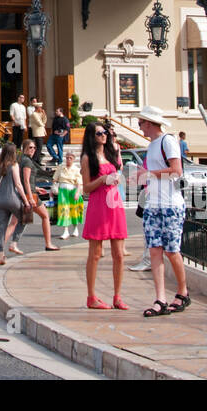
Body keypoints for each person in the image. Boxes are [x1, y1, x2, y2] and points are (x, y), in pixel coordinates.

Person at [136, 106, 190, 317]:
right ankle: (160, 299)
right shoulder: (152, 145)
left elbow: (176, 171)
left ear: (149, 123)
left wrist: (148, 174)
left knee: (171, 250)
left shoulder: (167, 141)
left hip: (170, 204)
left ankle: (182, 291)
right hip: (154, 204)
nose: (140, 128)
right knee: (155, 250)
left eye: (141, 124)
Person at [81, 123, 128, 309]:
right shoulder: (87, 158)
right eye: (99, 133)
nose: (104, 135)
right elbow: (86, 188)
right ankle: (91, 296)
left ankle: (117, 296)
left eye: (105, 132)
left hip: (114, 203)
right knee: (95, 253)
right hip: (99, 204)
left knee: (119, 254)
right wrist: (101, 180)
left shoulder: (110, 154)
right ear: (92, 137)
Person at [11, 139, 60, 252]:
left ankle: (9, 245)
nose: (33, 150)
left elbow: (23, 181)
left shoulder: (21, 160)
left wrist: (37, 188)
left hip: (26, 193)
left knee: (20, 221)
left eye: (34, 148)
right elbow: (26, 181)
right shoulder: (27, 161)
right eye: (30, 148)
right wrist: (30, 197)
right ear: (24, 149)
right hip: (30, 195)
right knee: (45, 216)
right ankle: (48, 243)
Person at [0, 143, 27, 265]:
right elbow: (18, 184)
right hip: (13, 198)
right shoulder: (14, 165)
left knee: (0, 226)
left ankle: (0, 254)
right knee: (24, 217)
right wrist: (25, 200)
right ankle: (14, 242)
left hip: (0, 199)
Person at [54, 152, 84, 238]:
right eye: (67, 158)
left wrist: (78, 193)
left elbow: (79, 183)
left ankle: (75, 228)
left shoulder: (76, 169)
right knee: (64, 210)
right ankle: (65, 231)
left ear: (73, 159)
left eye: (70, 158)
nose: (68, 160)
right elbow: (55, 179)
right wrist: (53, 189)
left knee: (73, 210)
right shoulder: (61, 167)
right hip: (63, 191)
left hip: (72, 191)